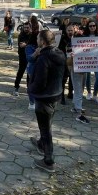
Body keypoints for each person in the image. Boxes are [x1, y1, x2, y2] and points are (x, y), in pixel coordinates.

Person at [28, 30, 66, 172]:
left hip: (44, 97)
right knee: (47, 123)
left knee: (46, 128)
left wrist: (30, 89)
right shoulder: (60, 53)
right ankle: (40, 144)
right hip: (55, 94)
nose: (37, 40)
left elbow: (40, 82)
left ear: (43, 42)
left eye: (38, 38)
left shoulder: (44, 58)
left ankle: (48, 160)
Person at [61, 23, 90, 124]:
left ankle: (75, 107)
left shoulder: (81, 40)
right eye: (68, 30)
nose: (70, 32)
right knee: (78, 90)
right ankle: (79, 113)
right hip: (75, 69)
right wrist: (72, 57)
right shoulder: (69, 44)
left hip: (84, 68)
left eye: (72, 30)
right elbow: (68, 62)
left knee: (80, 89)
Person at [83, 21, 98, 105]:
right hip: (86, 59)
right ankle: (89, 92)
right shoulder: (84, 36)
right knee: (87, 76)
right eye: (90, 26)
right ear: (87, 27)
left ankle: (95, 94)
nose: (92, 27)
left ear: (96, 26)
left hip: (97, 60)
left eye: (94, 25)